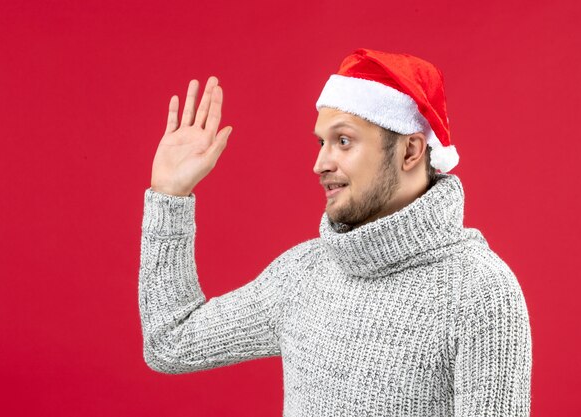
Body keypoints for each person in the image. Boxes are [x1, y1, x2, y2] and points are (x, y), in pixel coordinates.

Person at [138, 48, 533, 416]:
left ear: (411, 152)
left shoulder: (479, 293)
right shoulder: (302, 274)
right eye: (322, 142)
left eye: (343, 141)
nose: (320, 163)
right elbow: (171, 343)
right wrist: (170, 195)